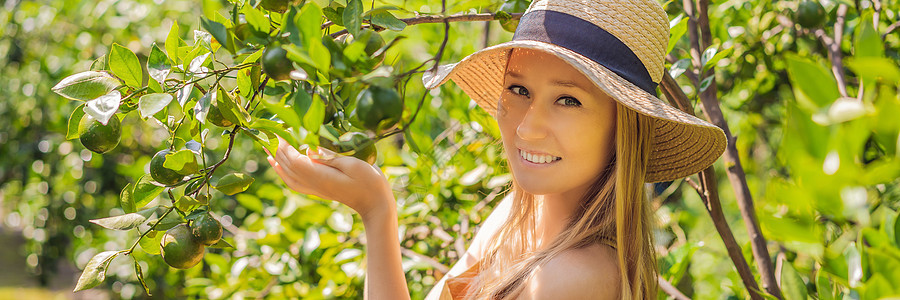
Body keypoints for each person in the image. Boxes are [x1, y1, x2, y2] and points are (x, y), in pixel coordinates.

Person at [265, 0, 727, 298]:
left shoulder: (574, 279)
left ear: (622, 128)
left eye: (568, 100)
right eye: (519, 89)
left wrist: (376, 208)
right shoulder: (516, 217)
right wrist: (376, 212)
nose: (527, 128)